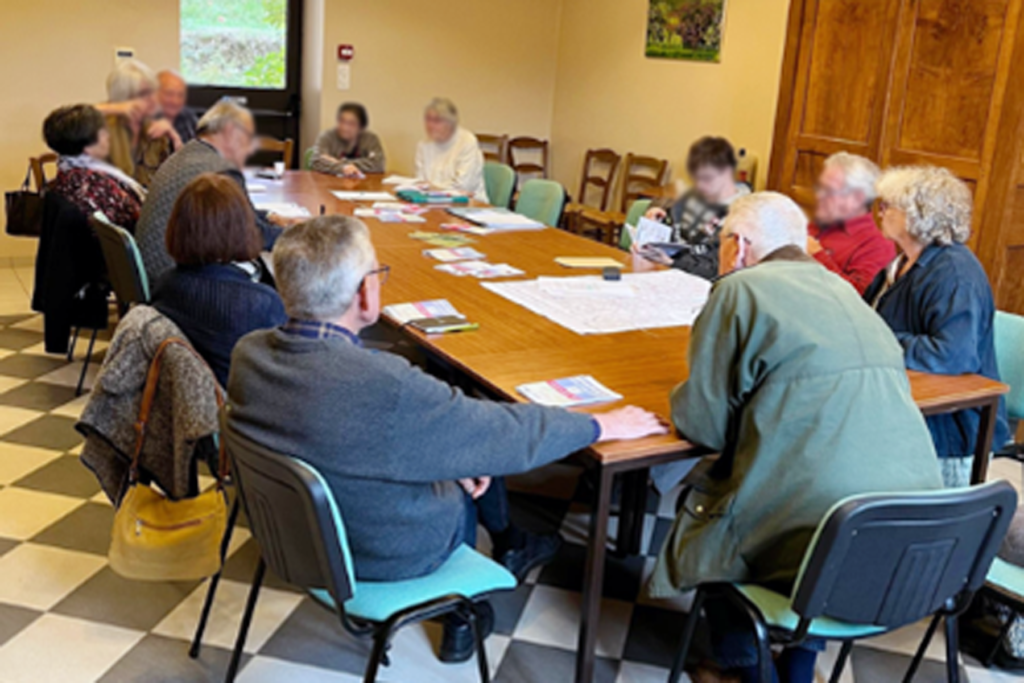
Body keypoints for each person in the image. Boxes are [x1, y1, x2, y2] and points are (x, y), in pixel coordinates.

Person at [227, 215, 666, 662]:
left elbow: (360, 433)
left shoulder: (249, 354)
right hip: (379, 555)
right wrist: (600, 425)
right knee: (471, 477)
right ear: (364, 292)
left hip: (293, 540)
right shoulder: (387, 386)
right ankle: (462, 614)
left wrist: (455, 450)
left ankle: (476, 526)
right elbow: (505, 434)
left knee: (463, 455)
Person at [649, 193, 943, 683]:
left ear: (738, 246)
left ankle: (746, 665)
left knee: (713, 509)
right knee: (828, 494)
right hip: (912, 532)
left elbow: (703, 425)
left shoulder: (738, 290)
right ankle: (801, 667)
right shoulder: (840, 289)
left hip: (823, 531)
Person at [865, 166, 1010, 487]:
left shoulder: (956, 273)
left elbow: (953, 355)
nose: (880, 212)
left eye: (889, 206)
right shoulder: (901, 263)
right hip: (904, 412)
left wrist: (877, 341)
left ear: (920, 215)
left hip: (950, 435)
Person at [135, 99, 291, 282]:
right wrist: (298, 233)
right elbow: (251, 235)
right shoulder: (221, 172)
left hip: (154, 272)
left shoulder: (185, 155)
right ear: (231, 131)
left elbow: (239, 215)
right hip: (178, 280)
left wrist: (270, 217)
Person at [152, 173, 286, 387]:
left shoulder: (163, 286)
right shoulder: (262, 303)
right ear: (242, 228)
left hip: (186, 401)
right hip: (242, 408)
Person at [634, 136, 750, 280]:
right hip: (667, 274)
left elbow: (717, 270)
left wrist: (671, 262)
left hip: (698, 284)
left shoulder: (742, 217)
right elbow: (665, 208)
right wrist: (653, 220)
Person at [42, 104, 145, 231]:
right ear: (87, 147)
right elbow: (138, 222)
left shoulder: (68, 172)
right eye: (103, 132)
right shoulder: (94, 185)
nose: (108, 136)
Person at [808, 152, 894, 294]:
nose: (819, 195)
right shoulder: (819, 223)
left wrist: (818, 256)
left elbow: (857, 299)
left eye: (828, 190)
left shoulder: (878, 246)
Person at [98, 59, 180, 186]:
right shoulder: (100, 133)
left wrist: (175, 141)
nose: (153, 100)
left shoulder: (157, 133)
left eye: (153, 92)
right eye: (144, 94)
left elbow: (175, 184)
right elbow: (62, 122)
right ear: (124, 98)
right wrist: (112, 107)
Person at [414, 98, 487, 201]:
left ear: (451, 123)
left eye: (437, 121)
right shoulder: (423, 144)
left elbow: (464, 187)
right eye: (428, 119)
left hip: (468, 205)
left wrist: (433, 188)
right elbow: (420, 183)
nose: (430, 125)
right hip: (432, 202)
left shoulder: (467, 142)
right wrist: (436, 190)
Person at [310, 102, 385, 177]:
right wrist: (343, 168)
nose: (345, 127)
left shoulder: (370, 139)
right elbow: (316, 162)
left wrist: (340, 163)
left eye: (351, 123)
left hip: (364, 185)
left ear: (361, 127)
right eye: (342, 121)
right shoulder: (326, 136)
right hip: (331, 183)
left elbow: (378, 164)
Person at [157, 70, 198, 144]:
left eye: (180, 95)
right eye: (169, 94)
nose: (175, 101)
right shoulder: (144, 121)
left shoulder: (188, 117)